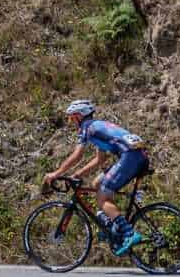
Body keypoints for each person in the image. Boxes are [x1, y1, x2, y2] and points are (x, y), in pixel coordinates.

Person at [38, 99, 151, 252]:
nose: (71, 122)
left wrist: (56, 173)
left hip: (130, 156)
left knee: (102, 197)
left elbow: (77, 155)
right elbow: (100, 159)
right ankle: (111, 223)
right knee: (97, 184)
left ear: (79, 116)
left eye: (72, 118)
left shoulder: (87, 127)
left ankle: (129, 233)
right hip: (137, 155)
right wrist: (77, 174)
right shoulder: (97, 127)